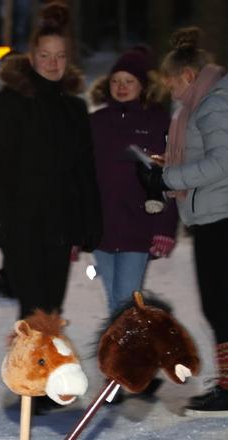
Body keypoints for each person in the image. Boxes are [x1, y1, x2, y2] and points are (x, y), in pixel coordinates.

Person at [137, 27, 228, 417]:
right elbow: (208, 154)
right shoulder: (215, 102)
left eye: (173, 83)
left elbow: (221, 163)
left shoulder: (216, 105)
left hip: (219, 216)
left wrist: (168, 178)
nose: (172, 92)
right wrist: (168, 165)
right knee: (216, 304)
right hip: (217, 213)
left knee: (217, 306)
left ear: (188, 76)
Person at [0, 2, 102, 320]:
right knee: (32, 311)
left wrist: (90, 222)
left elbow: (85, 170)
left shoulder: (73, 107)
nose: (53, 63)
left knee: (52, 310)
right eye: (45, 55)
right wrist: (1, 222)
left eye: (60, 56)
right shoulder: (11, 103)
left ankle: (46, 369)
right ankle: (30, 369)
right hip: (22, 224)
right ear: (32, 57)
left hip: (61, 224)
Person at [89, 46, 177, 316]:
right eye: (116, 81)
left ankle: (125, 356)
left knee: (125, 301)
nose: (121, 87)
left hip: (139, 225)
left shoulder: (160, 123)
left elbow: (172, 178)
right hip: (99, 227)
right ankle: (122, 354)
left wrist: (166, 227)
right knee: (116, 301)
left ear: (143, 86)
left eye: (129, 81)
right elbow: (79, 179)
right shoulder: (95, 122)